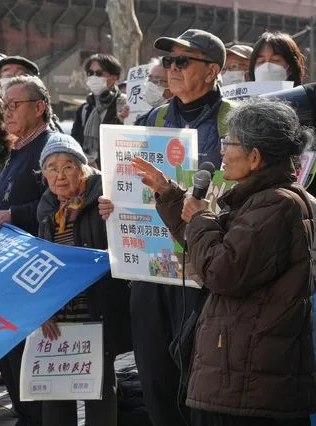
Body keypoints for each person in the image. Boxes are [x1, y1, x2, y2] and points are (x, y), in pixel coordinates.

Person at [117, 97, 316, 425]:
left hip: (248, 382)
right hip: (242, 374)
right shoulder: (263, 200)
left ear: (255, 157)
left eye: (230, 142)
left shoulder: (276, 206)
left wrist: (201, 219)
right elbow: (209, 248)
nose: (223, 150)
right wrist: (170, 194)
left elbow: (222, 270)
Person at [134, 28, 230, 426]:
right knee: (154, 372)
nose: (170, 69)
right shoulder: (150, 119)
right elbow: (123, 183)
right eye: (168, 61)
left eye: (182, 61)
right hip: (150, 264)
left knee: (200, 374)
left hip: (204, 266)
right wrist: (108, 201)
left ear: (211, 71)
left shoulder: (235, 123)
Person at [0, 75, 54, 426]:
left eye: (15, 105)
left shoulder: (51, 146)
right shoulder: (20, 147)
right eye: (6, 106)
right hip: (6, 262)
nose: (8, 112)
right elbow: (12, 191)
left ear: (40, 108)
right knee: (7, 349)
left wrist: (12, 213)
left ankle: (33, 416)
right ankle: (24, 413)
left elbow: (59, 199)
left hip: (32, 265)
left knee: (26, 353)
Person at [37, 133, 131, 426]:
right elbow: (43, 264)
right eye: (52, 167)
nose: (60, 175)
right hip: (60, 315)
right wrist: (44, 310)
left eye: (67, 166)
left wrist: (117, 215)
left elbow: (125, 245)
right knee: (55, 393)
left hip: (96, 311)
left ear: (83, 168)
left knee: (99, 391)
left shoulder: (106, 198)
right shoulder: (47, 207)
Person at [71, 53, 127, 169]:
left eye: (99, 73)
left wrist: (121, 120)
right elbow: (74, 144)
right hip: (88, 173)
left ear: (114, 77)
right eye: (90, 73)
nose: (93, 77)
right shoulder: (85, 109)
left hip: (115, 172)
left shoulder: (124, 105)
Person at [133, 57, 173, 125]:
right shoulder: (144, 119)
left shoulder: (178, 118)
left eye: (158, 80)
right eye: (150, 79)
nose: (151, 85)